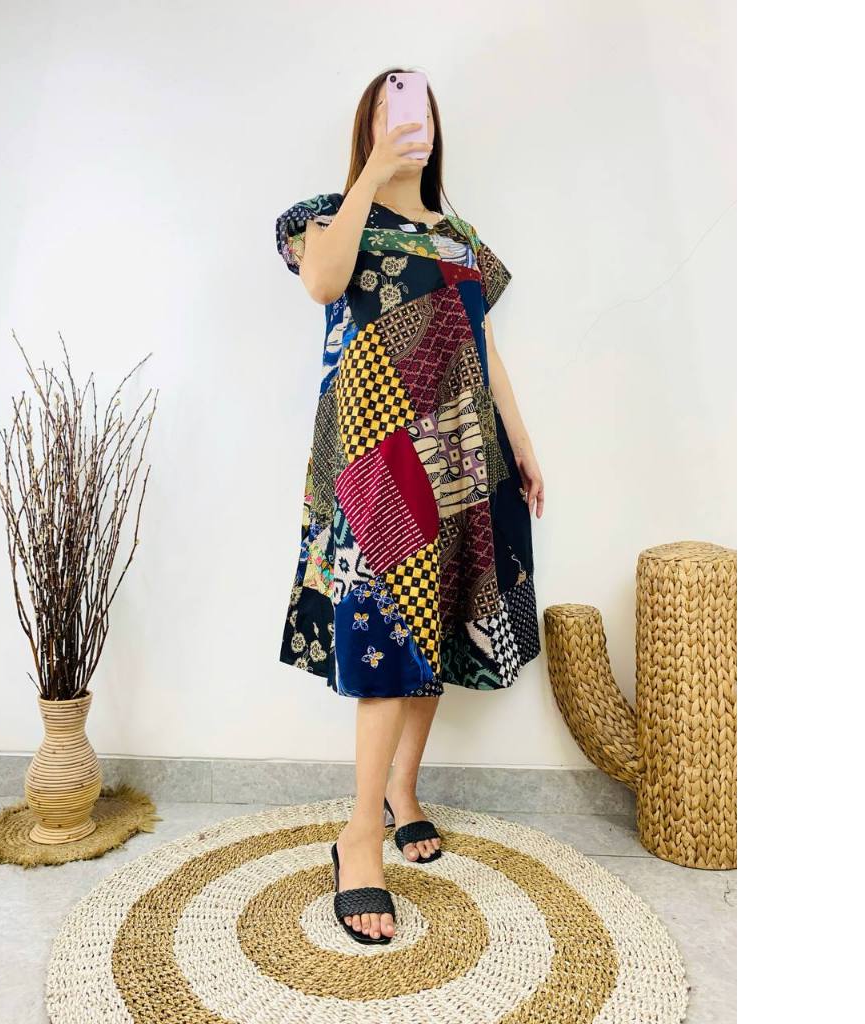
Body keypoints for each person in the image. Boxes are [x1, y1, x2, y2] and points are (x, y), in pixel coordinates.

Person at [274, 68, 545, 945]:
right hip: (375, 455)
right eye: (394, 107)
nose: (409, 120)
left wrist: (522, 442)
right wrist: (369, 176)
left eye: (421, 107)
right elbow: (323, 283)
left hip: (462, 452)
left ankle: (401, 790)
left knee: (436, 626)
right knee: (388, 632)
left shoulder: (461, 236)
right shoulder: (324, 214)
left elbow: (484, 344)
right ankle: (359, 838)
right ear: (370, 125)